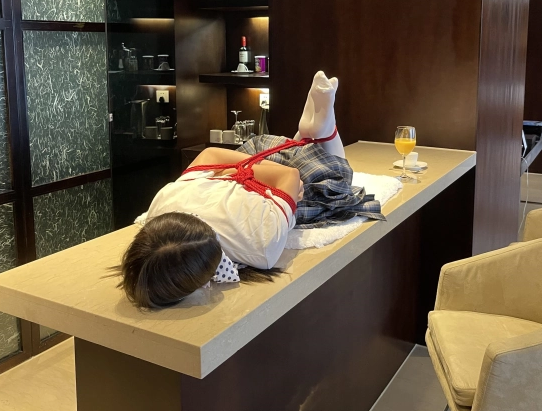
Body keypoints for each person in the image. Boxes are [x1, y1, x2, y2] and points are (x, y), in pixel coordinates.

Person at [117, 72, 382, 309]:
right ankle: (317, 132)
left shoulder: (255, 244)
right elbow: (283, 175)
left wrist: (245, 173)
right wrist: (237, 172)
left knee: (328, 180)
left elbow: (281, 175)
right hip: (253, 172)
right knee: (328, 183)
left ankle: (314, 132)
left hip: (258, 172)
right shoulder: (165, 206)